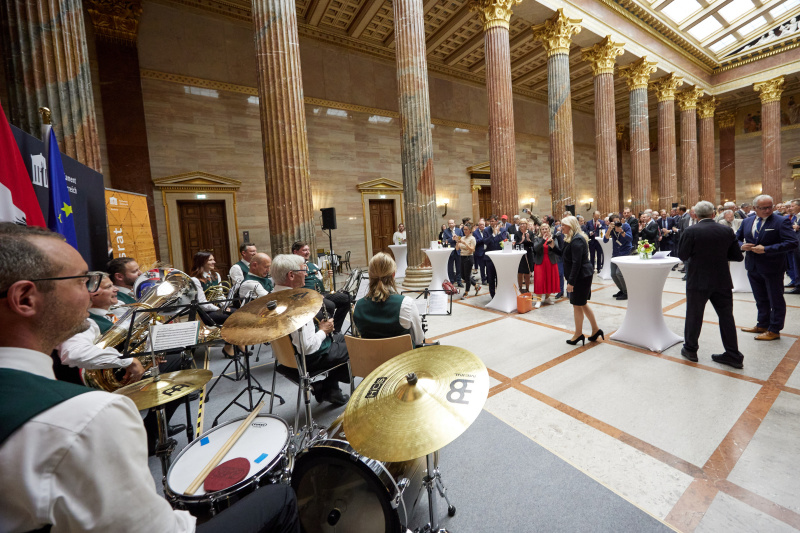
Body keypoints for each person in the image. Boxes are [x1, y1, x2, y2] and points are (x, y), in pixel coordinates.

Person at [0, 223, 300, 533]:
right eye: (81, 282)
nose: (91, 292)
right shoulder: (86, 419)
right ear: (25, 298)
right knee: (278, 496)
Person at [271, 254, 351, 406]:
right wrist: (323, 330)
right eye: (303, 270)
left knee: (341, 338)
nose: (306, 274)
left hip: (285, 358)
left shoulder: (270, 297)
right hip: (306, 359)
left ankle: (331, 388)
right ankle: (327, 386)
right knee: (355, 347)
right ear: (291, 275)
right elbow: (307, 347)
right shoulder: (298, 304)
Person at [678, 201, 745, 368]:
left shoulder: (691, 231)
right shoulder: (726, 230)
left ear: (696, 215)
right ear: (714, 214)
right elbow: (737, 256)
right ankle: (732, 354)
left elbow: (682, 255)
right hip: (721, 280)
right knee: (726, 316)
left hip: (698, 280)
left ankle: (691, 349)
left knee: (694, 314)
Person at [736, 195, 799, 340]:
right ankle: (762, 324)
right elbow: (736, 238)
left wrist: (767, 249)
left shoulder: (781, 221)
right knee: (760, 298)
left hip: (773, 266)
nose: (768, 210)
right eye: (763, 208)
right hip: (752, 265)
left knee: (775, 299)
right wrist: (741, 246)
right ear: (754, 208)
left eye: (770, 207)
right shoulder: (747, 221)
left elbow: (792, 242)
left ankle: (774, 329)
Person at [353, 252, 425, 346]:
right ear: (393, 275)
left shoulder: (358, 306)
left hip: (372, 359)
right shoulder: (406, 304)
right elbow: (418, 339)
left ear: (370, 275)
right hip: (401, 359)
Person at [552, 216, 601, 345]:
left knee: (578, 304)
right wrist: (553, 246)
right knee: (582, 304)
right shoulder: (571, 238)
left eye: (564, 225)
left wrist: (571, 282)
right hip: (580, 275)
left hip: (581, 276)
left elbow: (576, 263)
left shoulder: (577, 240)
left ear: (571, 226)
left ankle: (578, 334)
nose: (561, 227)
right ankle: (595, 330)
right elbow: (565, 255)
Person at [292, 241, 350, 333]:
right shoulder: (293, 267)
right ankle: (327, 330)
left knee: (346, 299)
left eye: (308, 250)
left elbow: (321, 282)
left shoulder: (313, 265)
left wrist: (326, 276)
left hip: (321, 293)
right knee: (330, 305)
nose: (307, 252)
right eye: (304, 250)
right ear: (295, 252)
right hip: (308, 297)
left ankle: (336, 330)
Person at [189, 251, 234, 356]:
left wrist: (225, 306)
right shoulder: (195, 280)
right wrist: (220, 310)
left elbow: (219, 295)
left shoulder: (216, 275)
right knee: (233, 316)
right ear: (202, 262)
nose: (214, 262)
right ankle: (231, 347)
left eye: (213, 259)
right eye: (210, 260)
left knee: (237, 313)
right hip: (206, 314)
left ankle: (231, 345)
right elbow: (203, 304)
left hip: (217, 309)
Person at [604, 214, 633, 301]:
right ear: (611, 222)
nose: (617, 223)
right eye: (614, 221)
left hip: (625, 252)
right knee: (613, 273)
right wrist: (609, 229)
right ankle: (622, 290)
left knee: (619, 273)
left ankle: (627, 292)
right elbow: (605, 240)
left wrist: (622, 231)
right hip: (616, 253)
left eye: (618, 221)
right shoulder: (610, 228)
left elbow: (630, 239)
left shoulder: (626, 226)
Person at [532, 223, 560, 308]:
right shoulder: (537, 239)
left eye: (546, 229)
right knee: (539, 281)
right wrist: (543, 241)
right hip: (540, 262)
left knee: (550, 280)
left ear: (549, 229)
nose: (545, 230)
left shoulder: (553, 238)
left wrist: (552, 242)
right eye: (543, 229)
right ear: (540, 230)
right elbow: (535, 249)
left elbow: (557, 249)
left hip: (551, 262)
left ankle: (547, 298)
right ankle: (538, 300)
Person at [483, 215, 508, 298]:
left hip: (500, 258)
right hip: (489, 258)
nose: (491, 223)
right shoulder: (486, 230)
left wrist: (498, 233)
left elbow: (504, 240)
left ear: (497, 221)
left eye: (493, 221)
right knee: (490, 278)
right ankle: (493, 296)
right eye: (490, 221)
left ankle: (500, 294)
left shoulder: (502, 230)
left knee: (499, 277)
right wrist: (493, 234)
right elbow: (485, 241)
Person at [455, 221, 479, 297]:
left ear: (470, 230)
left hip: (469, 258)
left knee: (467, 276)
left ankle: (466, 292)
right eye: (464, 229)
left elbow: (472, 250)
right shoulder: (462, 238)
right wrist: (457, 241)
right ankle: (476, 285)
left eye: (466, 229)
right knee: (463, 276)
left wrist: (465, 243)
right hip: (462, 257)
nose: (464, 231)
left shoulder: (472, 239)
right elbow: (457, 248)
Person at [512, 218, 534, 293]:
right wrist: (521, 240)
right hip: (520, 255)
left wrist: (528, 239)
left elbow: (533, 244)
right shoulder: (517, 233)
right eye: (520, 224)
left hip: (528, 254)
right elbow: (515, 245)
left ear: (526, 224)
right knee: (520, 272)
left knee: (527, 272)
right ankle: (520, 288)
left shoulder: (530, 233)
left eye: (523, 223)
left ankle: (527, 288)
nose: (522, 225)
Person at [442, 219, 462, 286]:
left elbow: (462, 238)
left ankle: (459, 281)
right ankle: (451, 281)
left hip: (458, 251)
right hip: (450, 252)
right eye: (449, 223)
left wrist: (457, 239)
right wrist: (451, 239)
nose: (451, 224)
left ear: (454, 223)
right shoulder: (446, 231)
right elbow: (444, 241)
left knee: (459, 267)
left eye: (452, 223)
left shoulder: (459, 230)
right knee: (450, 267)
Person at [786, 198, 800, 294]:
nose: (791, 208)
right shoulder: (795, 217)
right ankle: (797, 284)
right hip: (795, 243)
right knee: (795, 265)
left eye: (792, 206)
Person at [473, 219, 488, 285]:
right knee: (482, 267)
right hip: (480, 252)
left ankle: (488, 278)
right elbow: (475, 241)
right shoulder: (475, 232)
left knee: (488, 266)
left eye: (483, 225)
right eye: (480, 225)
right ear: (478, 225)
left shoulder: (487, 230)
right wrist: (483, 239)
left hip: (487, 251)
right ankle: (483, 279)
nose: (482, 226)